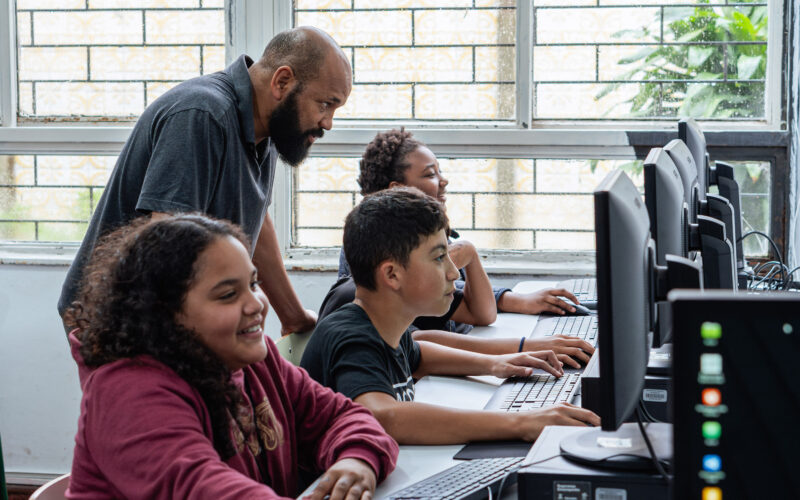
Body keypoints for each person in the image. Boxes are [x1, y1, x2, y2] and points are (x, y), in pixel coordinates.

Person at [64, 214, 397, 499]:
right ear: (163, 313)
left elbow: (340, 417)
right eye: (228, 295)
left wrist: (357, 460)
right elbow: (202, 488)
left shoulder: (255, 360)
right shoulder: (128, 391)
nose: (256, 304)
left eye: (253, 284)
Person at [57, 26, 353, 336]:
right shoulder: (202, 114)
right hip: (115, 321)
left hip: (172, 314)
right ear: (281, 81)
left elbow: (254, 223)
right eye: (325, 104)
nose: (328, 123)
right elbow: (170, 248)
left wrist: (293, 316)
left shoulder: (264, 128)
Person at [301, 188, 600, 445]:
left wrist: (494, 364)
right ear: (392, 274)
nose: (453, 272)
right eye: (439, 257)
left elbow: (418, 351)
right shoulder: (352, 337)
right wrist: (520, 423)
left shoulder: (386, 327)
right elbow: (383, 415)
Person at [322, 129, 594, 367]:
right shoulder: (376, 251)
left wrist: (475, 258)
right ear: (398, 189)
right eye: (430, 174)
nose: (444, 181)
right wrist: (518, 350)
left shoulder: (425, 237)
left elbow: (480, 312)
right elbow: (412, 342)